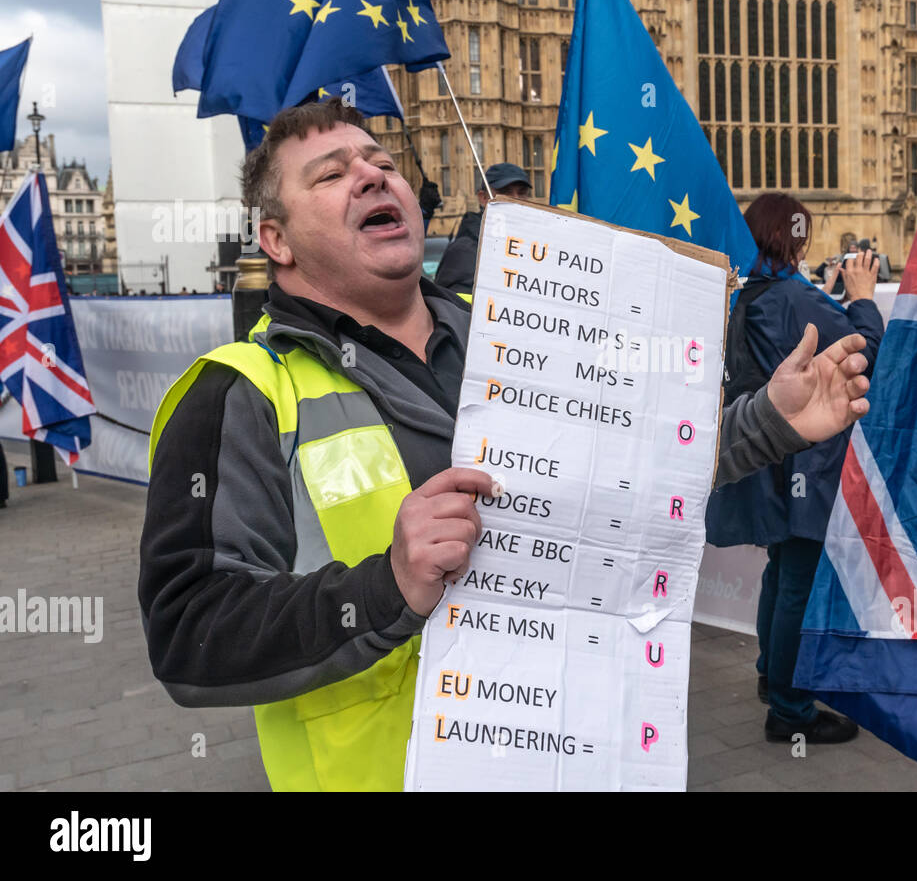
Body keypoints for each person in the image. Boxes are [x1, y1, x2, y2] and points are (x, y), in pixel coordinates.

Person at [139, 99, 875, 791]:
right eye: (331, 175)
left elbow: (630, 468)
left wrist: (771, 417)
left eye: (381, 161)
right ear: (276, 239)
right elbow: (188, 635)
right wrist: (384, 586)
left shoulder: (515, 325)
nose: (371, 173)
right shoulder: (240, 393)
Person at [707, 193, 884, 745]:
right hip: (804, 463)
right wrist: (862, 297)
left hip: (770, 463)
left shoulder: (747, 296)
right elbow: (866, 348)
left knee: (781, 572)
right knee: (798, 585)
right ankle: (789, 708)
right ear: (792, 239)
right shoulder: (788, 295)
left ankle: (770, 676)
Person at [432, 163, 532, 297]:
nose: (516, 199)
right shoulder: (464, 251)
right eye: (506, 192)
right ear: (483, 198)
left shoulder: (532, 247)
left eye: (522, 193)